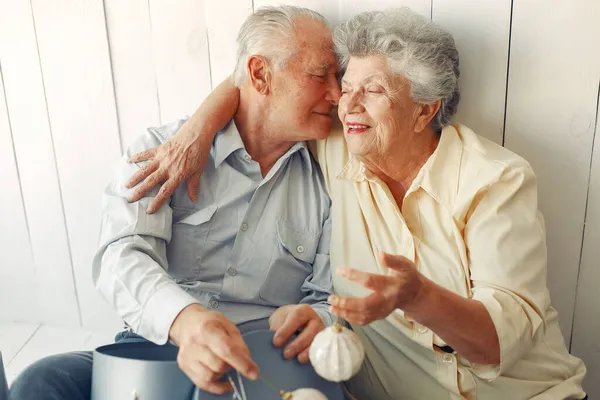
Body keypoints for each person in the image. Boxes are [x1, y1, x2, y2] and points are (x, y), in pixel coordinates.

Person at [124, 7, 588, 400]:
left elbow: (495, 347)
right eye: (346, 86)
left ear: (425, 109)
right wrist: (197, 131)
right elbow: (256, 92)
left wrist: (417, 296)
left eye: (375, 90)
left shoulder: (495, 179)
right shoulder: (337, 146)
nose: (347, 105)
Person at [9, 6, 342, 400]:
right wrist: (187, 321)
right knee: (41, 381)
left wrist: (319, 320)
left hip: (258, 367)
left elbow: (328, 298)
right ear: (260, 75)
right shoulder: (161, 152)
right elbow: (121, 255)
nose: (337, 94)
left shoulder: (328, 181)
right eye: (321, 76)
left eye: (338, 78)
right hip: (152, 348)